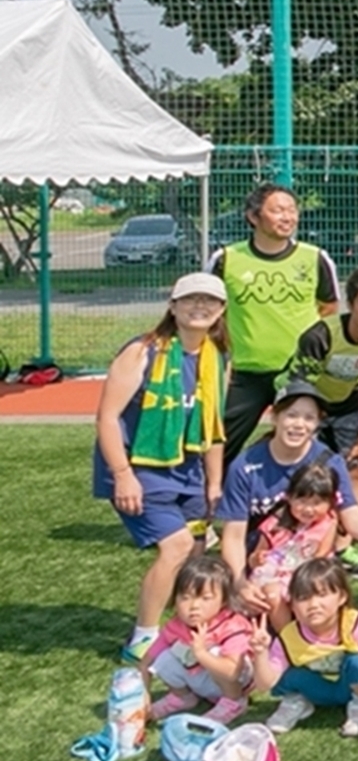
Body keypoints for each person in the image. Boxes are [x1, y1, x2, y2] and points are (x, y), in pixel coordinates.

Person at [94, 272, 230, 663]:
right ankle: (144, 637)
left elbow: (213, 428)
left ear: (221, 311)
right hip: (139, 468)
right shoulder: (142, 351)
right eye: (190, 300)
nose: (199, 307)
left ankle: (186, 631)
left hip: (188, 470)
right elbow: (106, 417)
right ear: (173, 306)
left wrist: (214, 482)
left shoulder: (217, 358)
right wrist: (123, 475)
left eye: (209, 301)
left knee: (199, 552)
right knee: (178, 546)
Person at [215, 381, 358, 621]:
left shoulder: (329, 462)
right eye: (291, 415)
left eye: (309, 418)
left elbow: (353, 519)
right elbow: (233, 536)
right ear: (275, 417)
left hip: (312, 562)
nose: (299, 424)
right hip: (263, 564)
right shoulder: (245, 466)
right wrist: (240, 583)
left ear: (318, 423)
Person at [209, 183, 339, 463]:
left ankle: (302, 500)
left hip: (299, 373)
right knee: (219, 442)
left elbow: (328, 308)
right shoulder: (226, 259)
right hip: (244, 373)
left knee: (307, 443)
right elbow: (210, 313)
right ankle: (207, 498)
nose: (287, 217)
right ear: (253, 217)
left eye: (292, 210)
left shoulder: (315, 257)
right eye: (277, 210)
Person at [285, 261, 358, 538]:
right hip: (307, 404)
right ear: (350, 303)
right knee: (308, 471)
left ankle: (345, 539)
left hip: (348, 403)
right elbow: (301, 389)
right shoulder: (320, 335)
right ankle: (298, 533)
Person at [249, 557, 358, 752]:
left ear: (342, 597)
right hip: (315, 690)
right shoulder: (288, 636)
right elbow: (265, 684)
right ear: (291, 604)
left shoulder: (357, 623)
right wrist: (260, 654)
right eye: (303, 598)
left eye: (322, 595)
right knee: (287, 672)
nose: (313, 604)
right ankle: (297, 700)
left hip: (351, 686)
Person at [140, 555, 252, 726]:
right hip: (202, 677)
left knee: (215, 652)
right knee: (163, 658)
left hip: (234, 681)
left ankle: (233, 702)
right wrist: (143, 698)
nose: (194, 606)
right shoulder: (176, 625)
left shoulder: (232, 627)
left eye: (205, 598)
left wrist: (201, 653)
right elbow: (146, 663)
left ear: (223, 601)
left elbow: (232, 672)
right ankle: (182, 697)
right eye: (185, 597)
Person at [247, 461, 339, 607]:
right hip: (272, 576)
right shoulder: (274, 525)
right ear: (289, 497)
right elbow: (255, 557)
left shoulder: (327, 524)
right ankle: (281, 628)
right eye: (302, 501)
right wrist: (257, 559)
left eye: (317, 503)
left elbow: (320, 557)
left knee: (282, 593)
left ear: (331, 502)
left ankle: (290, 628)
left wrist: (295, 574)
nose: (308, 509)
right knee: (267, 594)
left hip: (308, 576)